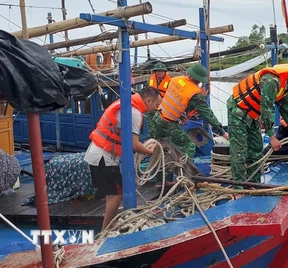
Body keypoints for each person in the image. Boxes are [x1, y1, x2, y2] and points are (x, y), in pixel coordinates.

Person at [84, 87, 162, 231]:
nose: (156, 109)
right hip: (103, 157)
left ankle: (110, 224)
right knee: (117, 194)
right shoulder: (134, 113)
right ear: (148, 100)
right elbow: (134, 144)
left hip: (98, 154)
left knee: (112, 192)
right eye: (156, 105)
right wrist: (149, 150)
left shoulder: (128, 105)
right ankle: (106, 230)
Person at [227, 64, 288, 183]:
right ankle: (238, 187)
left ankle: (253, 183)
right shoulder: (271, 81)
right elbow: (267, 109)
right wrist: (272, 137)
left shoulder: (285, 88)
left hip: (252, 116)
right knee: (240, 151)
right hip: (238, 113)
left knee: (256, 149)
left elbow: (285, 109)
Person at [148, 63, 228, 158]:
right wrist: (222, 132)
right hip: (169, 123)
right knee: (189, 146)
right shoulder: (195, 94)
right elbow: (208, 114)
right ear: (199, 80)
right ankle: (183, 169)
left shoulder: (176, 80)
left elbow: (180, 99)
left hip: (157, 117)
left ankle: (158, 168)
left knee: (158, 144)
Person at [147, 61, 171, 137]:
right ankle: (152, 140)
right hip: (152, 107)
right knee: (152, 127)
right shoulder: (150, 80)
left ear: (165, 72)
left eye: (162, 71)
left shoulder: (170, 82)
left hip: (164, 108)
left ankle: (164, 141)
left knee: (163, 127)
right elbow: (145, 91)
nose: (160, 73)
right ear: (155, 72)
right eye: (158, 71)